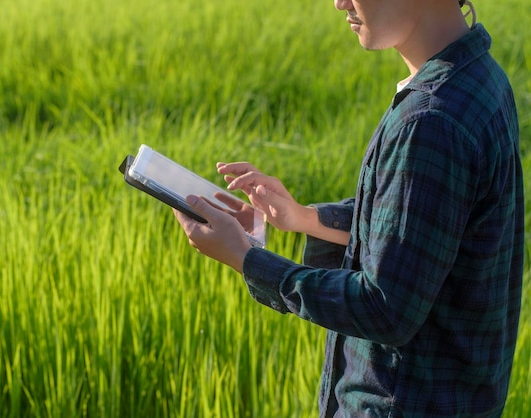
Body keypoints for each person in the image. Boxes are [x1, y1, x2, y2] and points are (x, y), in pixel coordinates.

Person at [173, 0, 524, 416]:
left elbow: (385, 308)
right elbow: (421, 228)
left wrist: (248, 260)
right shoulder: (479, 77)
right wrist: (306, 218)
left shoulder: (431, 119)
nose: (339, 1)